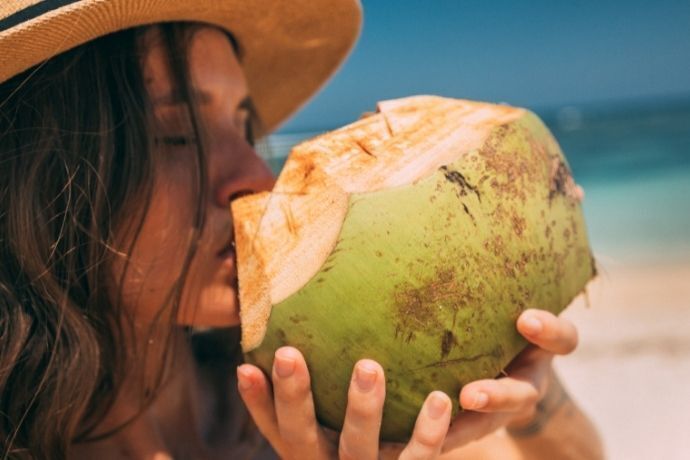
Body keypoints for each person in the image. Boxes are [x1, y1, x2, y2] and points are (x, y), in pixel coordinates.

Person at [0, 1, 604, 458]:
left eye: (243, 126)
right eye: (176, 134)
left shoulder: (333, 389)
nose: (259, 176)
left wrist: (527, 394)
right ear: (37, 180)